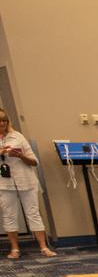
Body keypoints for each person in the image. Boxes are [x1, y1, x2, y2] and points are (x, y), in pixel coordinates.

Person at [0, 110, 55, 259]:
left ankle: (43, 247)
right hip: (4, 185)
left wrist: (20, 155)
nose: (2, 123)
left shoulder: (18, 137)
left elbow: (34, 161)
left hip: (26, 181)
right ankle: (15, 249)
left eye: (4, 120)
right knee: (9, 215)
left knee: (33, 213)